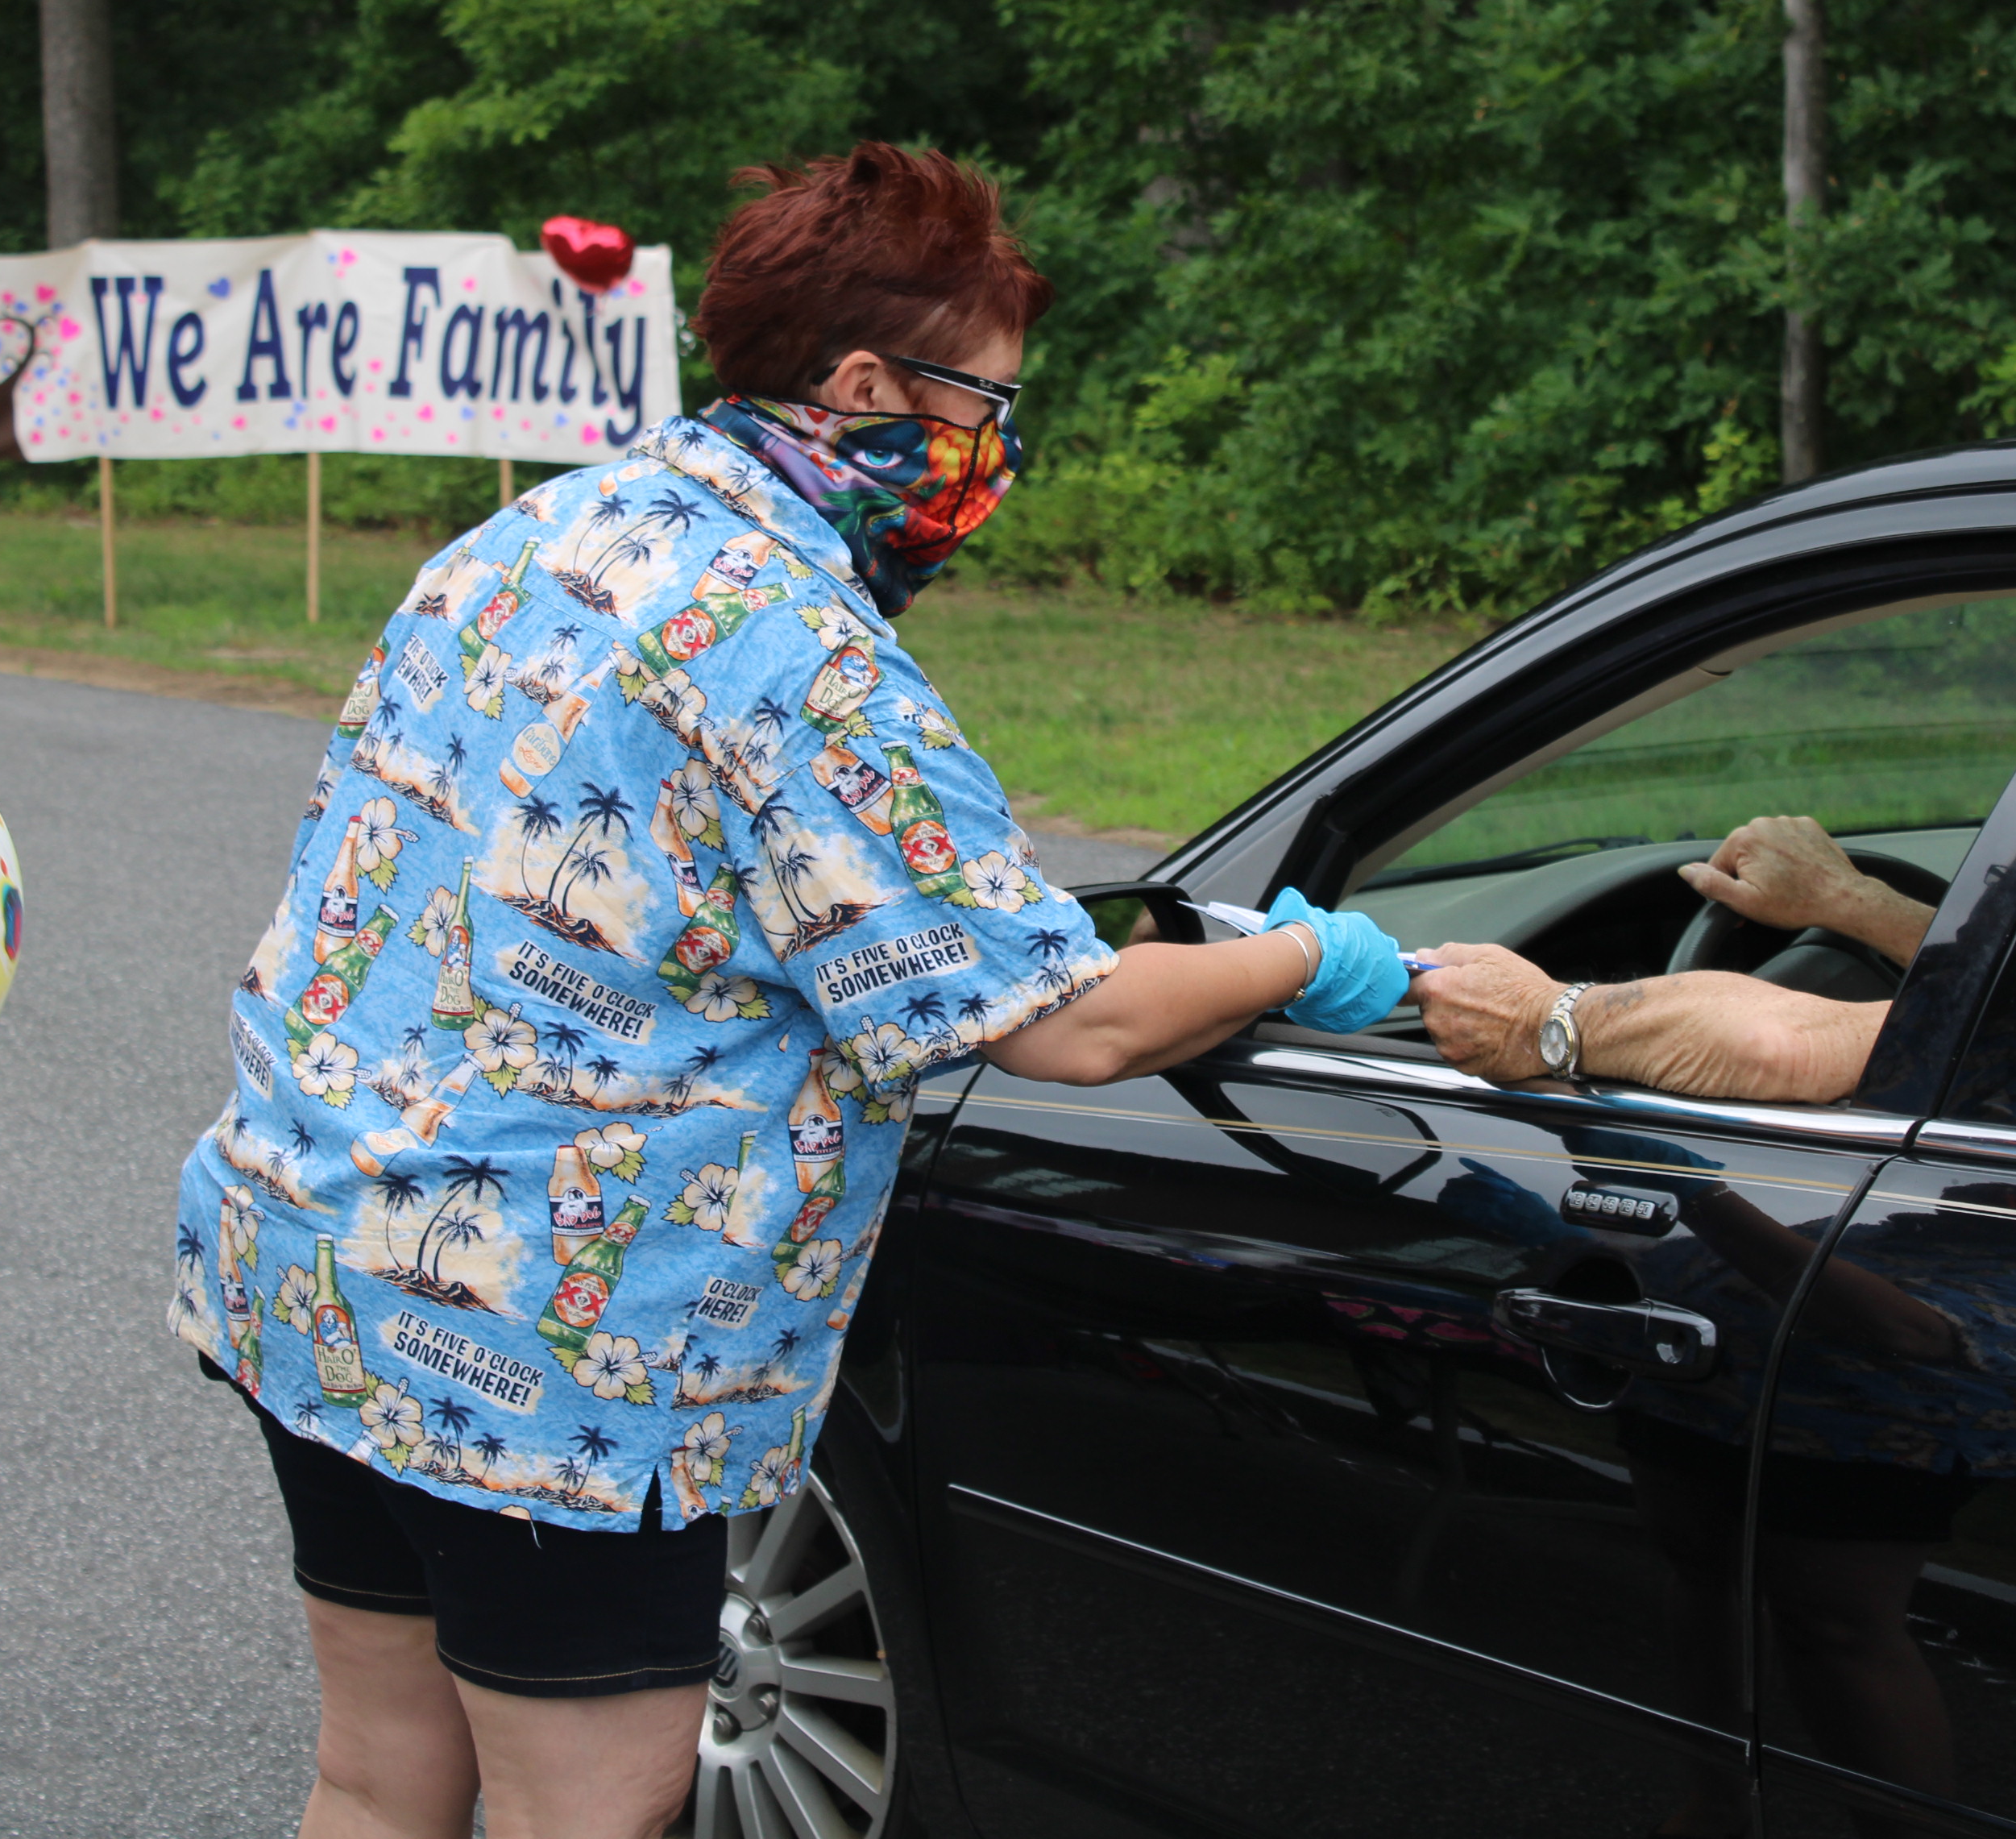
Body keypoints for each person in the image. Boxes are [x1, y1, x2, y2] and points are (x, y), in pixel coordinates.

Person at [168, 143, 1409, 1839]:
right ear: (860, 385)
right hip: (550, 1341)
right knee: (580, 1808)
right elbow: (1065, 1019)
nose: (998, 452)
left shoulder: (549, 525)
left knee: (378, 1778)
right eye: (985, 407)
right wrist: (1312, 955)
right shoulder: (796, 648)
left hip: (313, 1251)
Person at [1414, 812, 1932, 1099]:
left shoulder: (2009, 1035)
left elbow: (1774, 1047)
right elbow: (2005, 972)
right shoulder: (2014, 1009)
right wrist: (1847, 898)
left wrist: (1540, 1021)